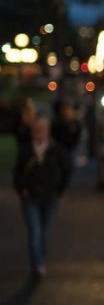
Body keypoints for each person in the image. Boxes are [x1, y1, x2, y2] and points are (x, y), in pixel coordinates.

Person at [13, 115, 72, 278]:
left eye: (42, 130)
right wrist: (21, 189)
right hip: (30, 197)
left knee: (44, 231)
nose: (39, 133)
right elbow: (17, 172)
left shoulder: (56, 150)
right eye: (36, 129)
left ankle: (40, 260)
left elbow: (67, 169)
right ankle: (37, 264)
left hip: (49, 198)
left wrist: (59, 190)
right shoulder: (26, 150)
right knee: (35, 231)